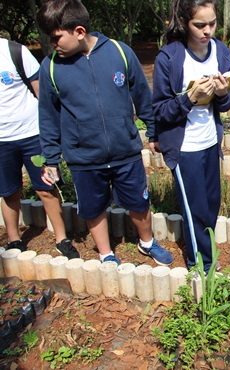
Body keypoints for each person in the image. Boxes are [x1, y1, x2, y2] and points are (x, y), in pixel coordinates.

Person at [36, 0, 173, 266]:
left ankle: (147, 243)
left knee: (139, 202)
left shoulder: (120, 53)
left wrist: (154, 132)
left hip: (125, 151)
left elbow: (142, 96)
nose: (53, 44)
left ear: (78, 31)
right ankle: (106, 253)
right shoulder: (51, 67)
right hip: (84, 158)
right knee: (93, 207)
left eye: (56, 38)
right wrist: (50, 159)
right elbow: (48, 117)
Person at [152, 0, 230, 271]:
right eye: (199, 24)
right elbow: (161, 111)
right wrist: (189, 98)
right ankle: (200, 264)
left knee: (211, 204)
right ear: (184, 23)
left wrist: (223, 93)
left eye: (212, 23)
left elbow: (226, 103)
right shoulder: (170, 58)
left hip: (210, 141)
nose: (207, 30)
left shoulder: (221, 53)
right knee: (194, 209)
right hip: (184, 147)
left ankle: (205, 255)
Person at [0, 35, 79, 259]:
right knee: (9, 193)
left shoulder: (15, 52)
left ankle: (62, 239)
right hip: (2, 141)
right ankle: (14, 240)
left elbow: (41, 93)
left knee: (46, 188)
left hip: (32, 133)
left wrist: (53, 132)